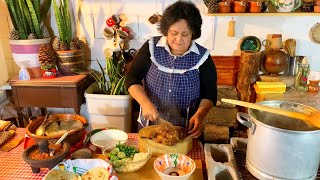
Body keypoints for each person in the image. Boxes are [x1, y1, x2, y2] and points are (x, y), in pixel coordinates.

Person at [125, 1, 217, 138]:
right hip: (151, 125)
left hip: (186, 129)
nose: (178, 39)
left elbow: (209, 94)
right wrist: (145, 103)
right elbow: (132, 79)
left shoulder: (203, 57)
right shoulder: (151, 47)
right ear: (166, 30)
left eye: (185, 34)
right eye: (174, 33)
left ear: (193, 33)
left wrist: (199, 115)